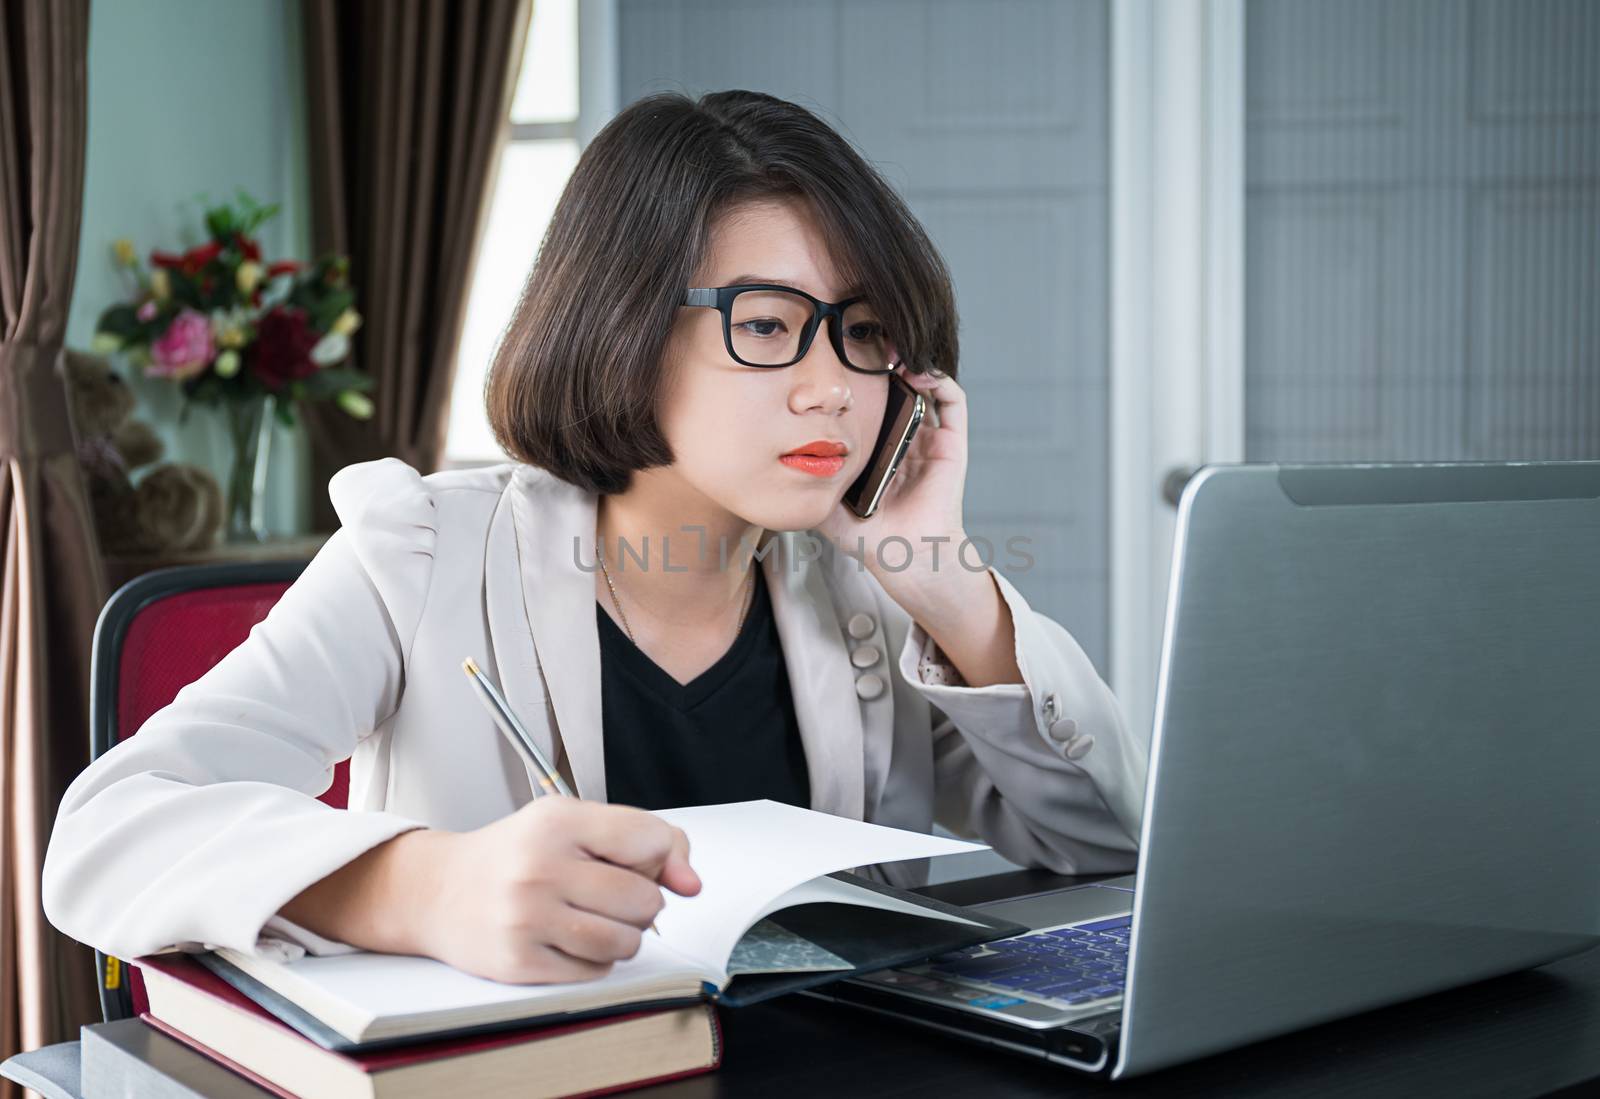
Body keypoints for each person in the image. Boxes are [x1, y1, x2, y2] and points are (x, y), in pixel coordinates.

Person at [43, 90, 1147, 987]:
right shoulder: (422, 550)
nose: (835, 388)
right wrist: (420, 888)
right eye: (766, 325)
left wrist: (941, 578)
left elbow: (1113, 845)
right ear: (621, 323)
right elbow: (108, 834)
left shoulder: (866, 589)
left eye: (864, 334)